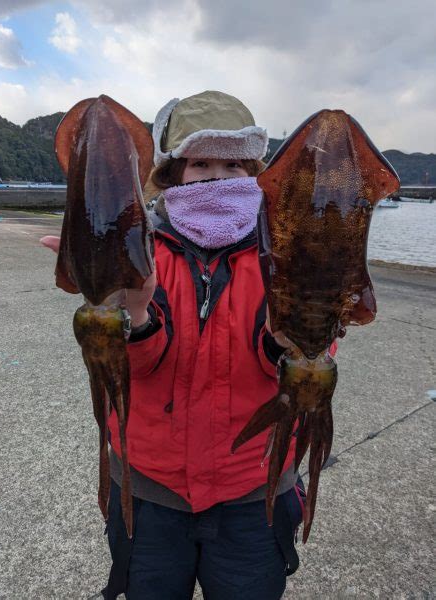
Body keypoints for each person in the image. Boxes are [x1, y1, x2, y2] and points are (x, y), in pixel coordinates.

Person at [44, 90, 306, 600]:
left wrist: (280, 345)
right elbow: (132, 367)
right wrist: (136, 315)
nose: (216, 176)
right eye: (200, 162)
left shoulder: (287, 249)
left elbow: (308, 358)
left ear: (255, 171)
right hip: (150, 487)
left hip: (252, 489)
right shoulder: (138, 241)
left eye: (234, 163)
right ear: (171, 174)